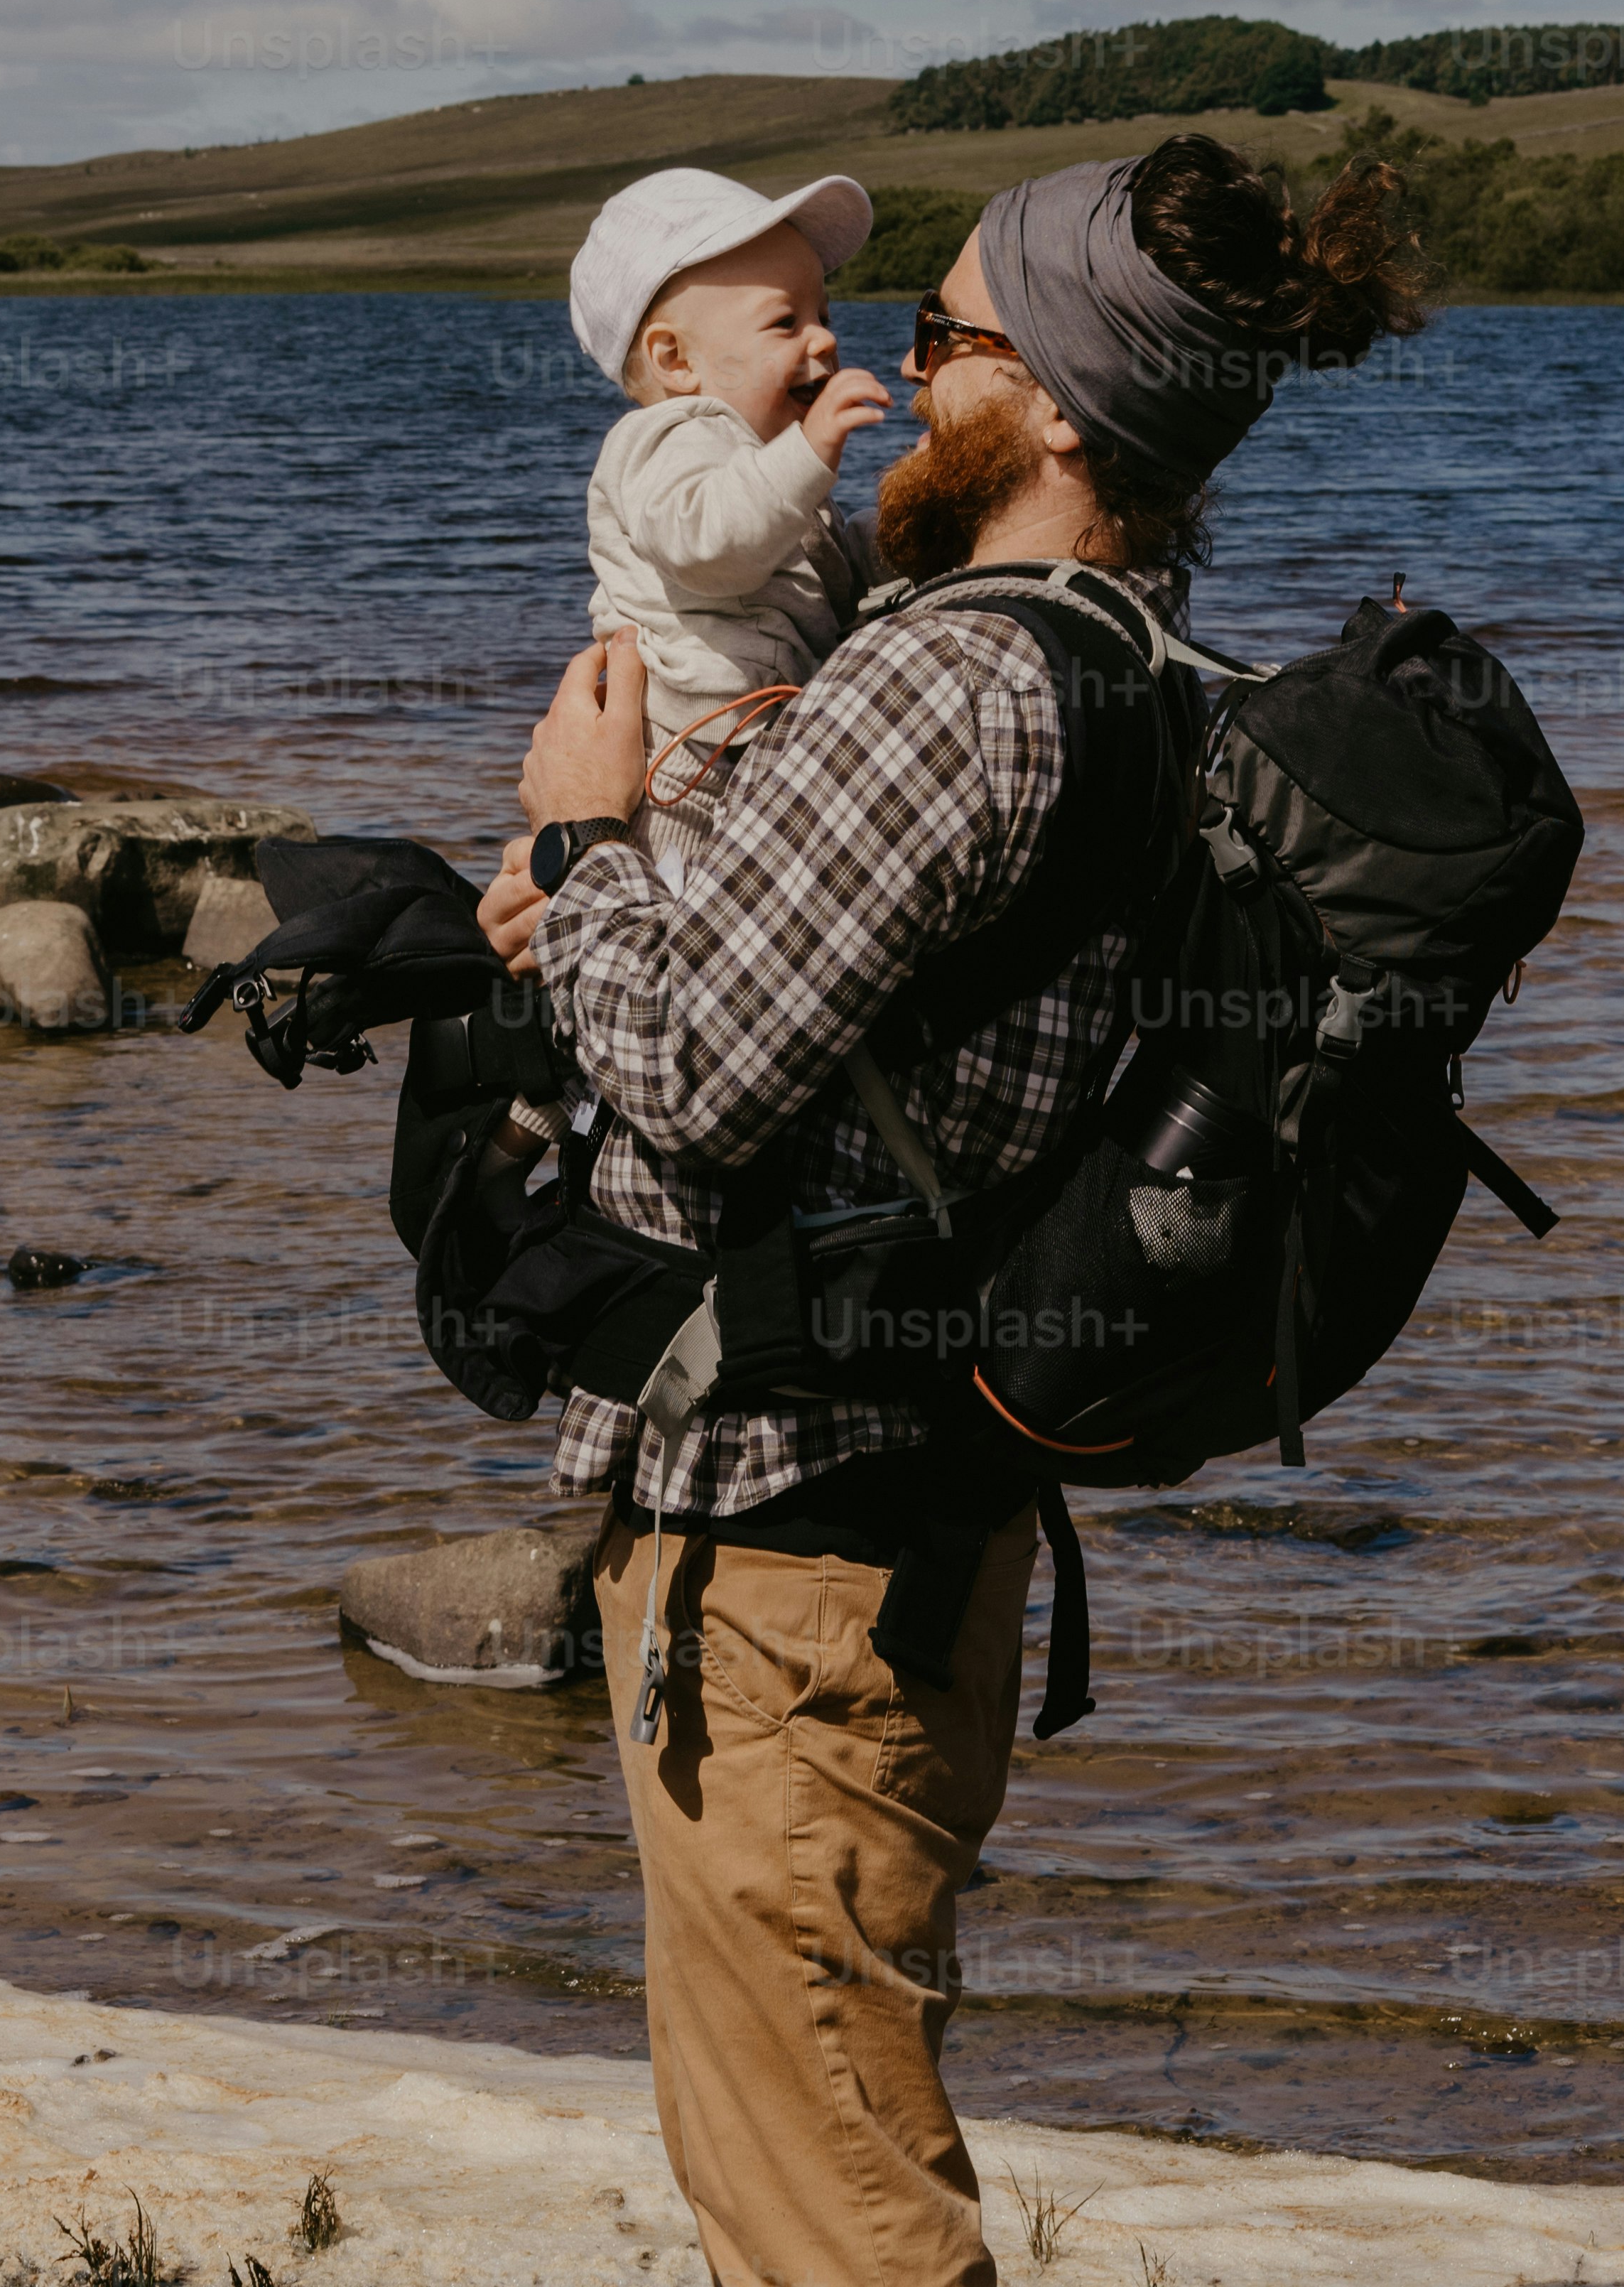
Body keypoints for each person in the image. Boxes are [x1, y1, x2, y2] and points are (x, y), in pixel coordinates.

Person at [480, 129, 1425, 2287]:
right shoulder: (1131, 644)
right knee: (828, 2135)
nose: (896, 372)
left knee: (829, 2206)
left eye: (945, 336)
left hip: (798, 1534)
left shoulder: (947, 678)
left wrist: (587, 832)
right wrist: (636, 882)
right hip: (924, 1503)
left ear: (1060, 400)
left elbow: (707, 1072)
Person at [568, 166, 897, 812]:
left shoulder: (757, 463)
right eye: (785, 322)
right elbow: (709, 547)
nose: (825, 337)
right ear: (676, 362)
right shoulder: (665, 441)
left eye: (823, 314)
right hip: (684, 761)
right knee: (685, 895)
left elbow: (829, 574)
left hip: (748, 741)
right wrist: (810, 451)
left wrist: (905, 522)